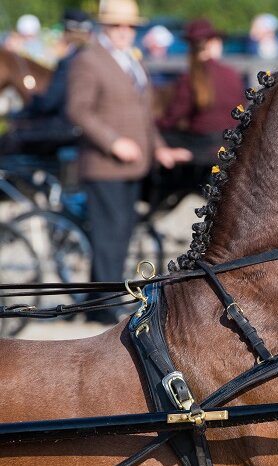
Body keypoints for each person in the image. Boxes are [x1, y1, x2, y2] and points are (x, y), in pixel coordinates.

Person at [66, 0, 190, 324]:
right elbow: (79, 110)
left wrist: (159, 147)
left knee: (120, 232)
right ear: (104, 27)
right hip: (105, 164)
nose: (125, 32)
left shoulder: (134, 61)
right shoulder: (89, 60)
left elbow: (143, 116)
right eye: (118, 26)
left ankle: (98, 299)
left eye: (130, 26)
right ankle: (106, 306)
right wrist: (113, 142)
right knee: (110, 234)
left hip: (134, 162)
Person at [0, 9, 93, 161]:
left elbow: (49, 102)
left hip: (66, 128)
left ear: (66, 32)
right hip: (77, 126)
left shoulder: (70, 61)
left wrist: (16, 114)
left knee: (12, 138)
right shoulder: (92, 57)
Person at [157, 18, 244, 164]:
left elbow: (172, 117)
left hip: (203, 145)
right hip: (230, 142)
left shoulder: (190, 77)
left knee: (163, 136)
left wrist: (154, 126)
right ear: (213, 44)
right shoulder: (232, 74)